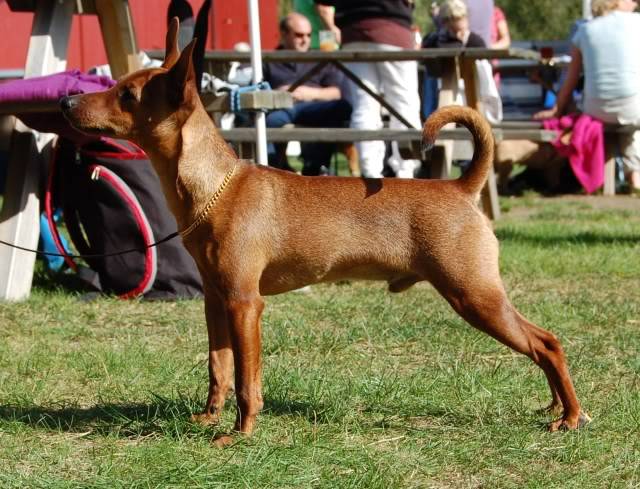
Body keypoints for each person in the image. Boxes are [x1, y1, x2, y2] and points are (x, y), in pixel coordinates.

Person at [534, 0, 640, 191]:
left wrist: (556, 109)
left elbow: (571, 79)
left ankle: (609, 181)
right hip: (631, 108)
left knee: (625, 120)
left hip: (596, 109)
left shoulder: (584, 31)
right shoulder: (637, 23)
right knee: (632, 121)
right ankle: (635, 177)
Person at [314, 0, 422, 179]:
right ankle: (405, 172)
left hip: (352, 30)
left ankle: (370, 173)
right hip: (393, 27)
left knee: (364, 104)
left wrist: (333, 27)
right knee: (403, 102)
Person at [262, 13, 352, 175]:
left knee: (340, 109)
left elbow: (337, 92)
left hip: (315, 107)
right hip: (281, 107)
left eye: (309, 35)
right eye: (299, 35)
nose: (305, 40)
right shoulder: (268, 60)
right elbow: (256, 91)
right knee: (266, 120)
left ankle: (314, 166)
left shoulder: (320, 58)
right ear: (283, 34)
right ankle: (274, 168)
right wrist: (279, 93)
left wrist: (309, 93)